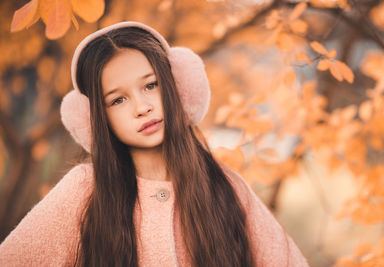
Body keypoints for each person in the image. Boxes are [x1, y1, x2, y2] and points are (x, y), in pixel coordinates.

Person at [0, 21, 309, 267]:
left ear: (177, 87)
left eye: (151, 85)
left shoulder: (226, 186)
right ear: (98, 119)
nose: (142, 107)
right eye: (118, 99)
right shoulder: (85, 189)